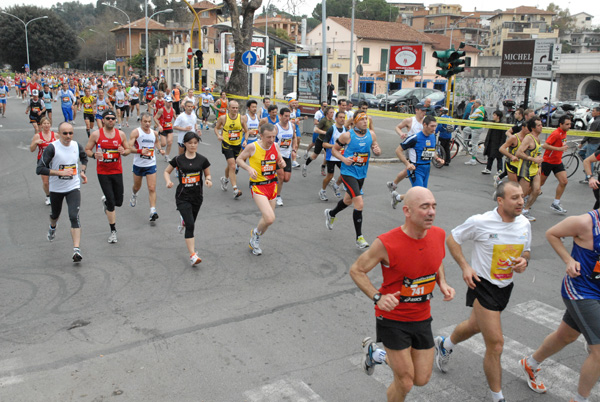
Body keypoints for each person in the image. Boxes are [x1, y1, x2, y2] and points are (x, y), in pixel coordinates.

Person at [350, 187, 455, 402]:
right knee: (405, 381)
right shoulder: (387, 243)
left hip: (421, 316)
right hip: (392, 318)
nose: (431, 212)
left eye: (434, 206)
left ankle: (376, 355)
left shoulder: (438, 234)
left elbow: (436, 261)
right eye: (424, 207)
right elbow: (356, 270)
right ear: (407, 211)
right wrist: (377, 297)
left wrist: (442, 282)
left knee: (421, 379)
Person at [433, 180, 531, 402]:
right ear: (500, 200)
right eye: (514, 198)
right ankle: (498, 397)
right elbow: (453, 238)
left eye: (522, 197)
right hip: (483, 285)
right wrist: (466, 266)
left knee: (475, 326)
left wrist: (523, 262)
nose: (521, 201)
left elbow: (527, 252)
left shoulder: (524, 223)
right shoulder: (481, 222)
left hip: (506, 286)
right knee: (496, 345)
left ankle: (444, 345)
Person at [518, 210, 600, 402]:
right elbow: (552, 233)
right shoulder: (585, 223)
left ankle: (530, 363)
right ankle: (580, 400)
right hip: (580, 291)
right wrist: (568, 260)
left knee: (567, 335)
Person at [325, 112, 382, 249]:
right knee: (359, 203)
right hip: (347, 172)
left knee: (347, 201)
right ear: (355, 122)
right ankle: (359, 238)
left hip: (361, 173)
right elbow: (334, 150)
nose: (364, 121)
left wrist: (377, 150)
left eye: (366, 119)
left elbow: (375, 147)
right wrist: (344, 159)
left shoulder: (371, 134)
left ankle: (331, 213)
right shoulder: (347, 136)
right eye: (361, 119)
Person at [36, 122, 88, 262]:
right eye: (65, 133)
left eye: (71, 133)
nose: (68, 136)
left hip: (73, 187)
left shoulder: (76, 145)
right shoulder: (52, 148)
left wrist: (82, 171)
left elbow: (84, 158)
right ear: (59, 134)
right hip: (56, 188)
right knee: (55, 214)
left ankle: (76, 250)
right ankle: (52, 227)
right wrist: (59, 172)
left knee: (73, 216)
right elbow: (39, 169)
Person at [236, 123, 285, 256]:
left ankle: (255, 236)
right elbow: (239, 159)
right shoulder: (253, 147)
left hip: (272, 185)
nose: (271, 140)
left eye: (274, 136)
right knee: (269, 218)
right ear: (261, 135)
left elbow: (280, 160)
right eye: (268, 137)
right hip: (258, 186)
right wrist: (249, 168)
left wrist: (282, 163)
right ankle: (256, 235)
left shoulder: (275, 146)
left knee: (267, 221)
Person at [164, 131, 212, 265]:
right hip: (182, 197)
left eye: (195, 143)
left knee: (190, 221)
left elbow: (207, 174)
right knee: (191, 225)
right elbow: (167, 171)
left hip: (197, 197)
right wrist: (168, 181)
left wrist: (208, 180)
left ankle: (183, 220)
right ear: (184, 144)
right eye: (190, 143)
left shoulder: (202, 160)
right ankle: (192, 255)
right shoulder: (178, 159)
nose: (193, 145)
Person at [85, 110, 131, 243]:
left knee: (119, 202)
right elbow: (87, 150)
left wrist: (124, 151)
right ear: (103, 120)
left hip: (117, 171)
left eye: (113, 118)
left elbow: (127, 150)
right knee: (112, 203)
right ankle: (113, 231)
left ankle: (106, 202)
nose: (111, 120)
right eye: (108, 118)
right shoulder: (96, 134)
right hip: (103, 172)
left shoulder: (120, 134)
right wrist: (94, 155)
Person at [391, 115, 444, 208]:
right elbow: (398, 150)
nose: (434, 128)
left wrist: (437, 158)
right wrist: (407, 164)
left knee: (420, 194)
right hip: (416, 169)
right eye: (432, 126)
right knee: (420, 195)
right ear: (425, 125)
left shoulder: (432, 137)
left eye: (435, 126)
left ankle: (398, 197)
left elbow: (431, 151)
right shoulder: (414, 138)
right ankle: (414, 216)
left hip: (426, 169)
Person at [129, 112, 165, 223]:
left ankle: (152, 211)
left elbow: (157, 142)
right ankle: (134, 195)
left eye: (149, 121)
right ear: (141, 122)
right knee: (136, 186)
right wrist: (140, 151)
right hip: (139, 164)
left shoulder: (154, 133)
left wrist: (160, 150)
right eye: (145, 121)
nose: (147, 124)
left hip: (150, 164)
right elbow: (129, 147)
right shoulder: (136, 132)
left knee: (152, 187)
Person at [387, 103, 426, 193]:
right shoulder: (409, 120)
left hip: (421, 149)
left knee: (408, 170)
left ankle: (393, 184)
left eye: (425, 111)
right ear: (416, 110)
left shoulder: (426, 121)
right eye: (422, 110)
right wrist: (401, 134)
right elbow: (397, 127)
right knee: (411, 168)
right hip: (411, 147)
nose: (424, 113)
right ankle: (414, 190)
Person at [214, 100, 248, 199]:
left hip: (237, 144)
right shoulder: (223, 118)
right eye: (233, 108)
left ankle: (225, 179)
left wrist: (245, 140)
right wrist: (218, 135)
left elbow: (247, 131)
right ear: (228, 108)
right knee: (233, 165)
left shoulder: (241, 119)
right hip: (227, 143)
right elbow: (216, 128)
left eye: (237, 108)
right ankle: (235, 189)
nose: (235, 110)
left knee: (231, 165)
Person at [540, 114, 571, 214]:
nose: (569, 126)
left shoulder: (564, 133)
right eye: (567, 124)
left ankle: (556, 203)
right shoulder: (556, 133)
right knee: (539, 184)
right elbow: (545, 145)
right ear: (561, 124)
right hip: (548, 162)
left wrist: (564, 147)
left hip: (557, 162)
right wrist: (559, 149)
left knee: (564, 182)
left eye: (570, 124)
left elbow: (562, 143)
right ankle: (525, 198)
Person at [516, 117, 544, 222]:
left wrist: (539, 166)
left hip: (535, 168)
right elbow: (518, 153)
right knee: (521, 194)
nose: (541, 127)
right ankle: (510, 210)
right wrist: (532, 159)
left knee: (536, 190)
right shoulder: (529, 138)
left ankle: (525, 210)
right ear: (533, 128)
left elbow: (538, 153)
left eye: (541, 125)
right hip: (525, 167)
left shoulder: (538, 138)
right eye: (539, 125)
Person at [319, 110, 347, 201]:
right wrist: (335, 146)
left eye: (344, 117)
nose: (342, 119)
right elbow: (324, 144)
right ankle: (322, 191)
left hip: (341, 156)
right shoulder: (332, 129)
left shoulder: (346, 130)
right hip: (331, 156)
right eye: (340, 117)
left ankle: (336, 186)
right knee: (330, 176)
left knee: (346, 173)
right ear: (336, 118)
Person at [272, 107, 297, 206]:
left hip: (287, 155)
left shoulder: (292, 126)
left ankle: (272, 180)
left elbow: (294, 138)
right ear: (280, 116)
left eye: (289, 116)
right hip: (277, 155)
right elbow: (272, 143)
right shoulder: (276, 128)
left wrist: (294, 149)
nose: (287, 118)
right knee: (281, 177)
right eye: (285, 116)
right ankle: (277, 196)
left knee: (286, 178)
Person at [30, 117, 56, 205]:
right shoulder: (37, 136)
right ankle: (48, 196)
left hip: (54, 161)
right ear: (41, 125)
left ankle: (55, 195)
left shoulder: (55, 135)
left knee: (55, 180)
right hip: (43, 161)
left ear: (50, 125)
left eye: (48, 123)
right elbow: (32, 149)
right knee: (45, 182)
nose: (46, 125)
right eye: (44, 124)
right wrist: (35, 142)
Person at [302, 106, 334, 178]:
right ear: (327, 113)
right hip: (320, 141)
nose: (332, 114)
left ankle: (325, 170)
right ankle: (305, 165)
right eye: (331, 112)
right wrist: (325, 132)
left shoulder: (332, 121)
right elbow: (316, 130)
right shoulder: (323, 120)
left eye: (333, 112)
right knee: (314, 156)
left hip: (327, 142)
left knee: (328, 157)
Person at [579, 107, 600, 184]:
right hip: (595, 142)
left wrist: (582, 142)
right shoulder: (595, 120)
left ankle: (588, 177)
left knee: (589, 160)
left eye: (594, 111)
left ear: (599, 112)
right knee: (581, 153)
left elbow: (589, 133)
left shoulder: (596, 122)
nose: (592, 112)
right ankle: (589, 168)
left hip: (594, 142)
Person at [482, 111, 506, 175]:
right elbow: (489, 134)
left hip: (498, 143)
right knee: (490, 156)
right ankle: (488, 168)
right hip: (491, 142)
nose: (493, 116)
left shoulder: (502, 125)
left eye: (494, 115)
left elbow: (503, 136)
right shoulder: (492, 123)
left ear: (498, 116)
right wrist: (486, 142)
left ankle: (499, 170)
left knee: (499, 157)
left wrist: (502, 145)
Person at [463, 99, 486, 166]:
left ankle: (473, 160)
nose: (473, 104)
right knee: (465, 130)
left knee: (474, 143)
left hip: (476, 128)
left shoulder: (479, 110)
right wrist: (472, 110)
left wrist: (471, 111)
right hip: (473, 126)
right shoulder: (479, 108)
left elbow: (470, 118)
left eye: (474, 103)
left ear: (478, 103)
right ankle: (466, 144)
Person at [154, 96, 176, 162]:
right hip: (163, 129)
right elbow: (155, 118)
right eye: (168, 102)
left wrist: (177, 123)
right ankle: (157, 147)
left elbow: (175, 118)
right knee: (163, 144)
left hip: (169, 128)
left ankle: (167, 156)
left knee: (170, 142)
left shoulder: (173, 110)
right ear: (165, 102)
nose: (169, 103)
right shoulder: (161, 110)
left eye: (170, 102)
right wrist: (159, 125)